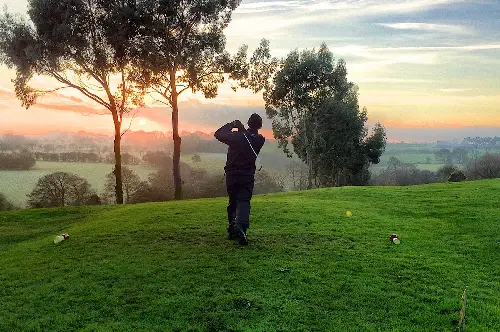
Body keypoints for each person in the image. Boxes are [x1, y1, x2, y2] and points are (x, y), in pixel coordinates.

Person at [214, 113, 265, 245]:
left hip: (232, 174)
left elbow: (218, 134)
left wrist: (233, 124)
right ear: (260, 126)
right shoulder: (260, 139)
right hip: (247, 175)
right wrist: (242, 129)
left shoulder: (237, 137)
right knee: (244, 201)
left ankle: (232, 229)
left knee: (233, 201)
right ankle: (241, 227)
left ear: (248, 123)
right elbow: (249, 138)